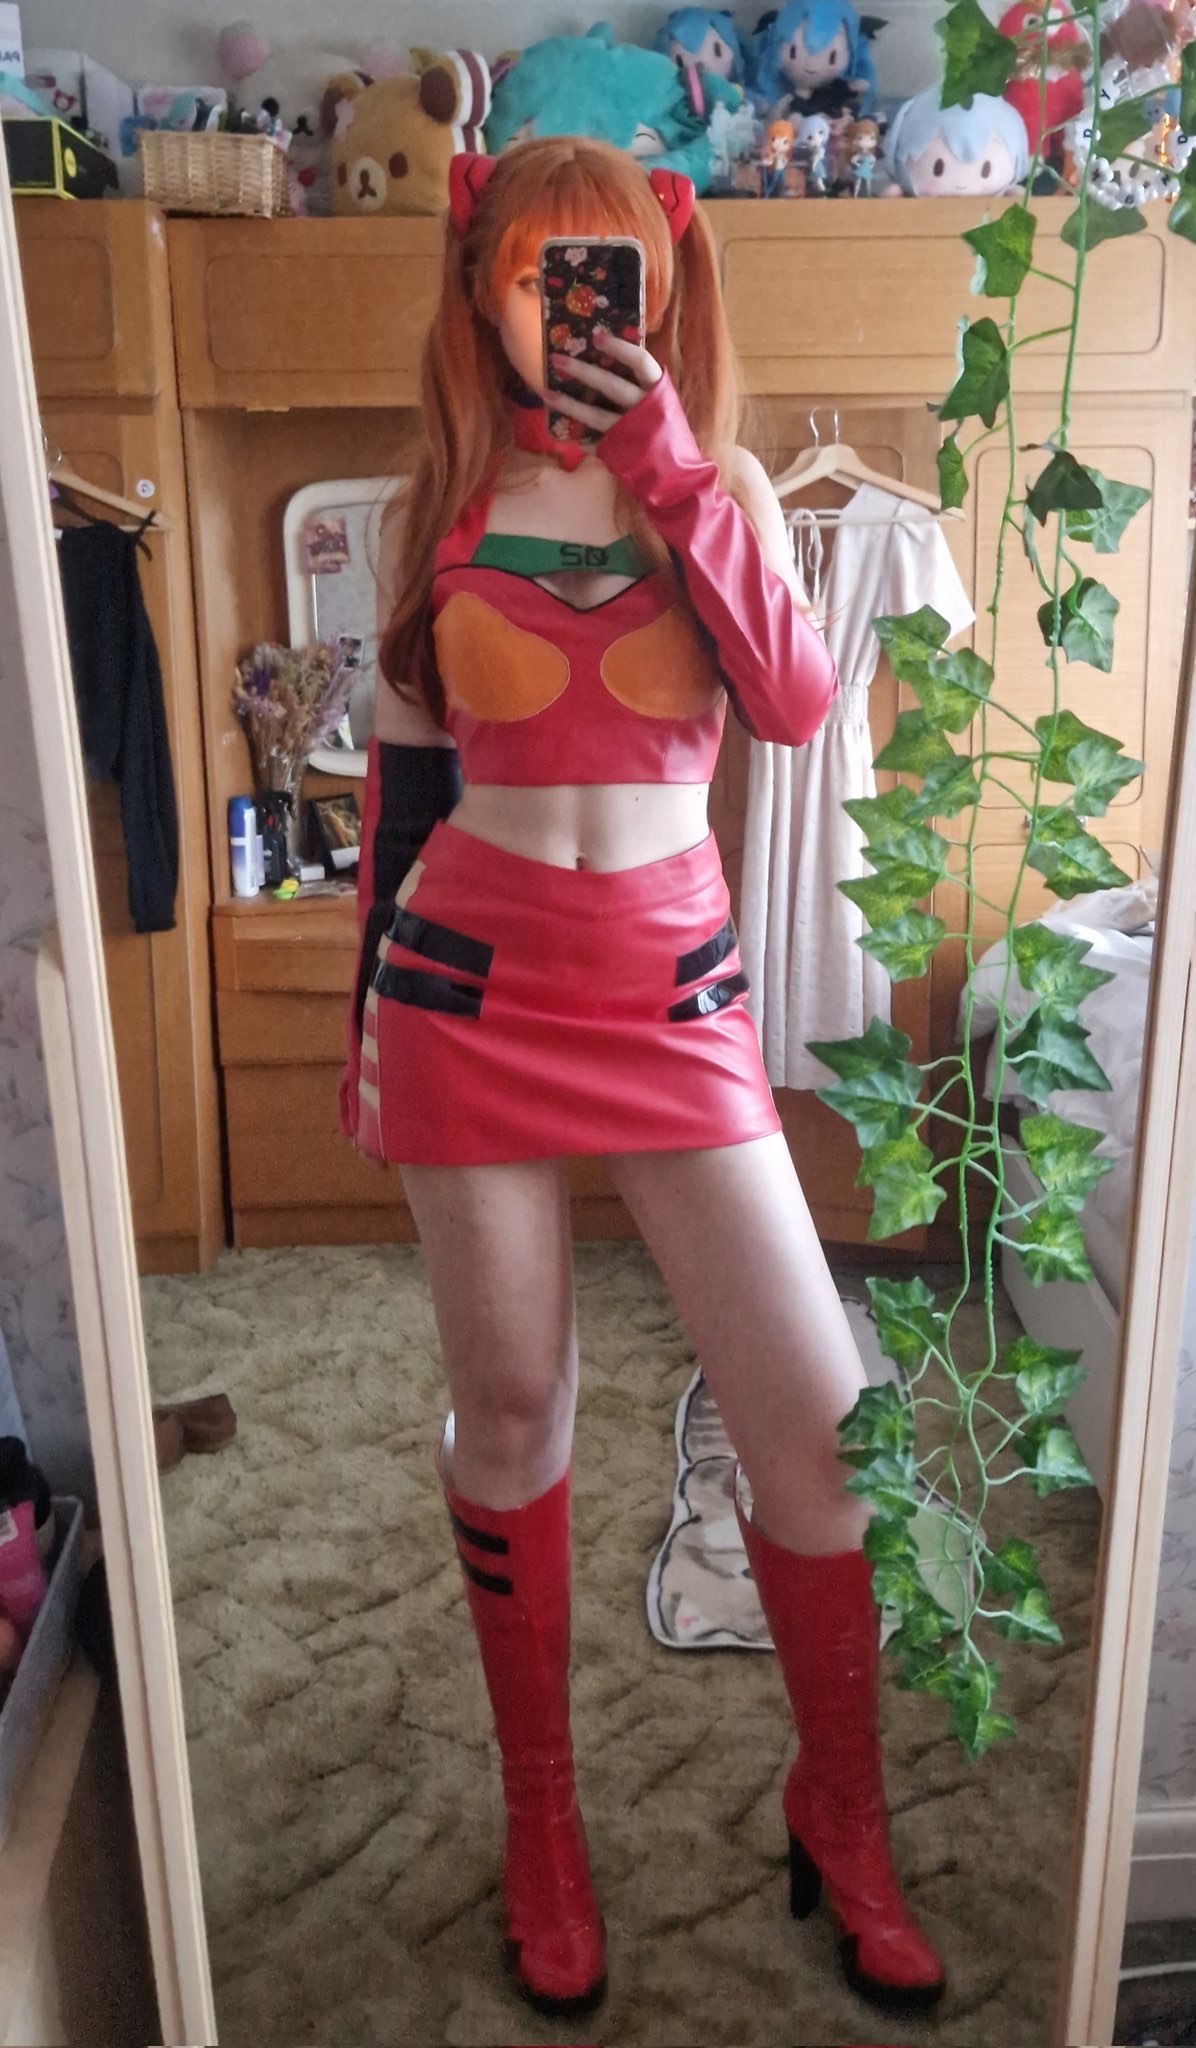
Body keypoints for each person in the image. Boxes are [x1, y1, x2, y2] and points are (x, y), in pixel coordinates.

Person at [340, 134, 946, 2023]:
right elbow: (404, 799)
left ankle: (842, 1811)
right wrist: (363, 1034)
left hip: (672, 992)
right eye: (541, 267)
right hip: (466, 986)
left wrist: (672, 465)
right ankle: (545, 1822)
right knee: (514, 1405)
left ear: (661, 283)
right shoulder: (432, 500)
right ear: (485, 284)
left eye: (607, 267)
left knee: (819, 1425)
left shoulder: (721, 481)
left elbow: (794, 702)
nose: (574, 301)